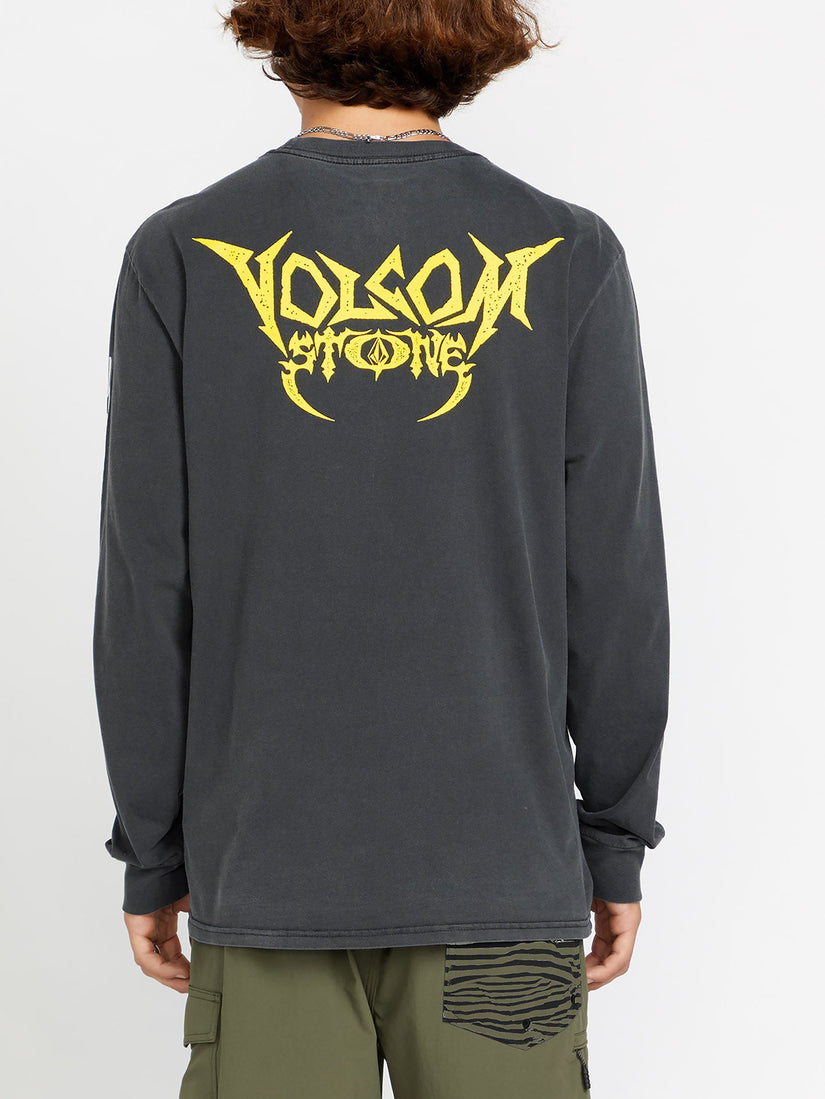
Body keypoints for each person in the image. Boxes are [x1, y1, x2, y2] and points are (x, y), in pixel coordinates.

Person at [92, 2, 670, 1095]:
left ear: (278, 32)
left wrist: (155, 851)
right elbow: (615, 584)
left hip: (267, 870)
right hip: (504, 879)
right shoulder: (568, 251)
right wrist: (612, 839)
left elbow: (146, 588)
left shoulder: (184, 251)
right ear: (469, 39)